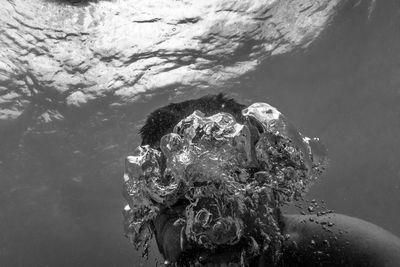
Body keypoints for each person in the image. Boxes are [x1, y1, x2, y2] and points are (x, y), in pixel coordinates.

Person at [139, 94, 400, 266]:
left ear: (273, 188)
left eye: (236, 189)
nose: (217, 230)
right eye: (182, 201)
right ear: (149, 221)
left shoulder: (360, 257)